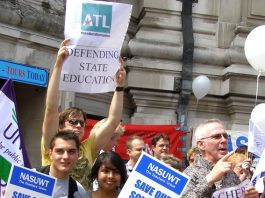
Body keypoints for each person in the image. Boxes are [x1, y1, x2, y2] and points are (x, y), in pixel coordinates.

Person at [41, 39, 126, 191]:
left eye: (82, 123)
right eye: (73, 121)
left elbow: (113, 120)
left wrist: (119, 87)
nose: (79, 125)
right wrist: (59, 65)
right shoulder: (52, 141)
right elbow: (51, 108)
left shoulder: (89, 147)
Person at [182, 119, 241, 197]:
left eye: (226, 136)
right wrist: (209, 179)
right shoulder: (189, 173)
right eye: (216, 137)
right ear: (201, 145)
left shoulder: (231, 173)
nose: (224, 140)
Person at [37, 131, 87, 197]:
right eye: (59, 151)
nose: (65, 157)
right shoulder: (29, 177)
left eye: (71, 152)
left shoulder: (79, 191)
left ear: (78, 155)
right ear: (50, 154)